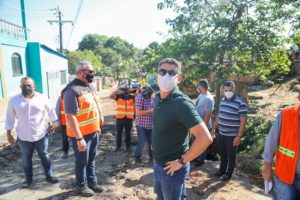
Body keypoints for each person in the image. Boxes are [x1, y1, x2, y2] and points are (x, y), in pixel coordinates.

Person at [152, 58, 213, 200]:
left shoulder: (181, 103)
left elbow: (205, 138)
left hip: (172, 169)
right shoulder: (158, 98)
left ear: (178, 78)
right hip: (158, 162)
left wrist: (181, 162)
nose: (166, 75)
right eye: (162, 71)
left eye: (171, 73)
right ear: (157, 75)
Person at [5, 77, 59, 188]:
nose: (27, 87)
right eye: (24, 85)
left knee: (45, 156)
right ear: (20, 87)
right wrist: (9, 133)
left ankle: (49, 175)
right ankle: (28, 179)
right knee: (26, 159)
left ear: (34, 86)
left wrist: (54, 122)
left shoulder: (42, 98)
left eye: (29, 85)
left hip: (41, 135)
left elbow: (51, 110)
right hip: (23, 137)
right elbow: (9, 118)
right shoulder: (14, 101)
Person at [62, 61, 103, 197]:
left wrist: (98, 127)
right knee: (82, 161)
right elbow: (70, 116)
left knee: (91, 159)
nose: (92, 74)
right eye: (89, 71)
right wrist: (79, 138)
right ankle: (81, 186)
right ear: (80, 72)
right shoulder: (71, 90)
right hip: (81, 136)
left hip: (93, 132)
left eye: (92, 71)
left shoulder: (88, 86)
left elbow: (94, 107)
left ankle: (92, 182)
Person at [262, 92, 300, 199]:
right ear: (299, 97)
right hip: (284, 176)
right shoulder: (285, 115)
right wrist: (267, 166)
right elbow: (271, 141)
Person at [211, 80, 247, 181]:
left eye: (229, 90)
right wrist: (214, 128)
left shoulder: (240, 103)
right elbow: (219, 115)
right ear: (223, 90)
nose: (228, 92)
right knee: (222, 154)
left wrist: (239, 136)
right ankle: (221, 171)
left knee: (231, 156)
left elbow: (243, 121)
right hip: (221, 133)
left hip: (232, 135)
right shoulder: (222, 100)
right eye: (226, 90)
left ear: (233, 89)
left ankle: (228, 174)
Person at [134, 84, 158, 163]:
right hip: (141, 125)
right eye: (155, 93)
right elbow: (138, 112)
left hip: (151, 125)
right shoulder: (140, 97)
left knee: (152, 143)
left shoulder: (155, 98)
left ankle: (152, 160)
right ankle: (137, 159)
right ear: (151, 91)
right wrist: (151, 110)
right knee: (141, 142)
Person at [194, 79, 214, 166]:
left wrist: (204, 127)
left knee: (202, 143)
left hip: (203, 125)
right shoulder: (201, 95)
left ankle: (201, 160)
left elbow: (208, 115)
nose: (198, 87)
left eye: (198, 86)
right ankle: (195, 157)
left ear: (201, 87)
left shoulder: (208, 99)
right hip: (197, 124)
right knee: (196, 142)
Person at [110, 84, 135, 152]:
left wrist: (133, 91)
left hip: (128, 119)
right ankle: (118, 147)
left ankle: (128, 147)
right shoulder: (119, 96)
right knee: (119, 133)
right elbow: (111, 96)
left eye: (127, 89)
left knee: (128, 134)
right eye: (125, 89)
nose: (126, 90)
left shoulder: (132, 97)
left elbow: (139, 95)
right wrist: (117, 90)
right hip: (120, 118)